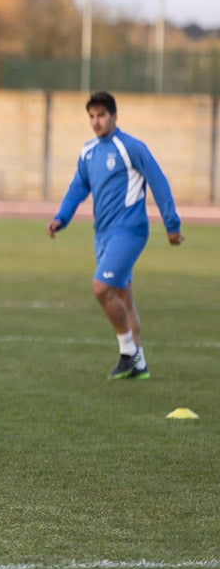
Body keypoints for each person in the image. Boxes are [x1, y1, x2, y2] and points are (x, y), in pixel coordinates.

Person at [46, 90, 183, 380]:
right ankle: (140, 363)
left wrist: (171, 224)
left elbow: (158, 182)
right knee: (124, 297)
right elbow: (78, 188)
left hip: (130, 231)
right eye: (91, 116)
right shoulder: (88, 152)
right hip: (103, 233)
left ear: (114, 116)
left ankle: (127, 352)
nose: (96, 122)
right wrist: (61, 217)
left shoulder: (130, 147)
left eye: (101, 115)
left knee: (100, 288)